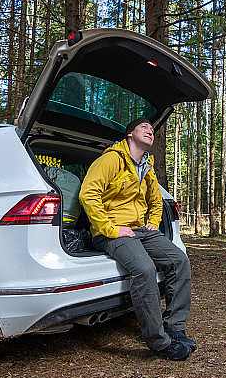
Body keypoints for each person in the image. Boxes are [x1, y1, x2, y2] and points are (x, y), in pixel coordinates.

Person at [78, 118, 196, 361]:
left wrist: (153, 220)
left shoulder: (146, 166)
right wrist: (110, 228)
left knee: (179, 260)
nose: (150, 131)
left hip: (140, 229)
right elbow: (88, 194)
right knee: (145, 269)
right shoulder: (112, 159)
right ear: (130, 134)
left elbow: (156, 200)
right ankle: (158, 341)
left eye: (152, 129)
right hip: (110, 231)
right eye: (144, 127)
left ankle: (175, 327)